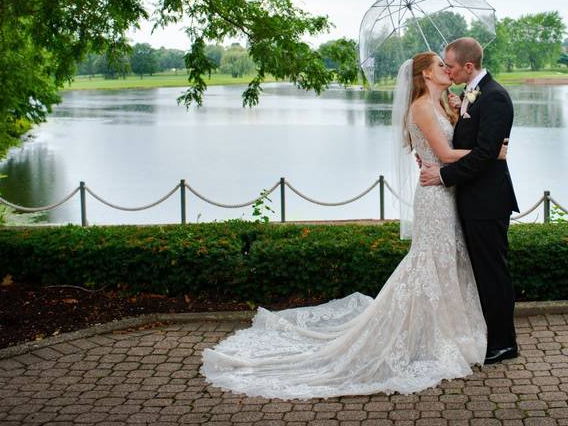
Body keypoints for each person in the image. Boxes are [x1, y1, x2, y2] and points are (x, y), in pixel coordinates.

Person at [200, 51, 505, 399]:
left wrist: (454, 112)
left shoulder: (446, 103)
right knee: (427, 262)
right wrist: (491, 152)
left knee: (445, 262)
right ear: (424, 74)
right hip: (435, 198)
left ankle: (441, 332)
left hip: (448, 193)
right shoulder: (421, 107)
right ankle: (423, 338)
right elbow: (448, 156)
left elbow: (447, 148)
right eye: (440, 66)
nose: (446, 69)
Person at [420, 37, 520, 365]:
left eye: (449, 65)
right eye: (442, 66)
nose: (446, 70)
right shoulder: (470, 95)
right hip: (472, 199)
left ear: (467, 66)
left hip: (488, 201)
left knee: (493, 273)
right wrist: (455, 108)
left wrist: (443, 176)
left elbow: (484, 156)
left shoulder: (495, 97)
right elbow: (471, 143)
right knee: (481, 272)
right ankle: (489, 335)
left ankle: (504, 343)